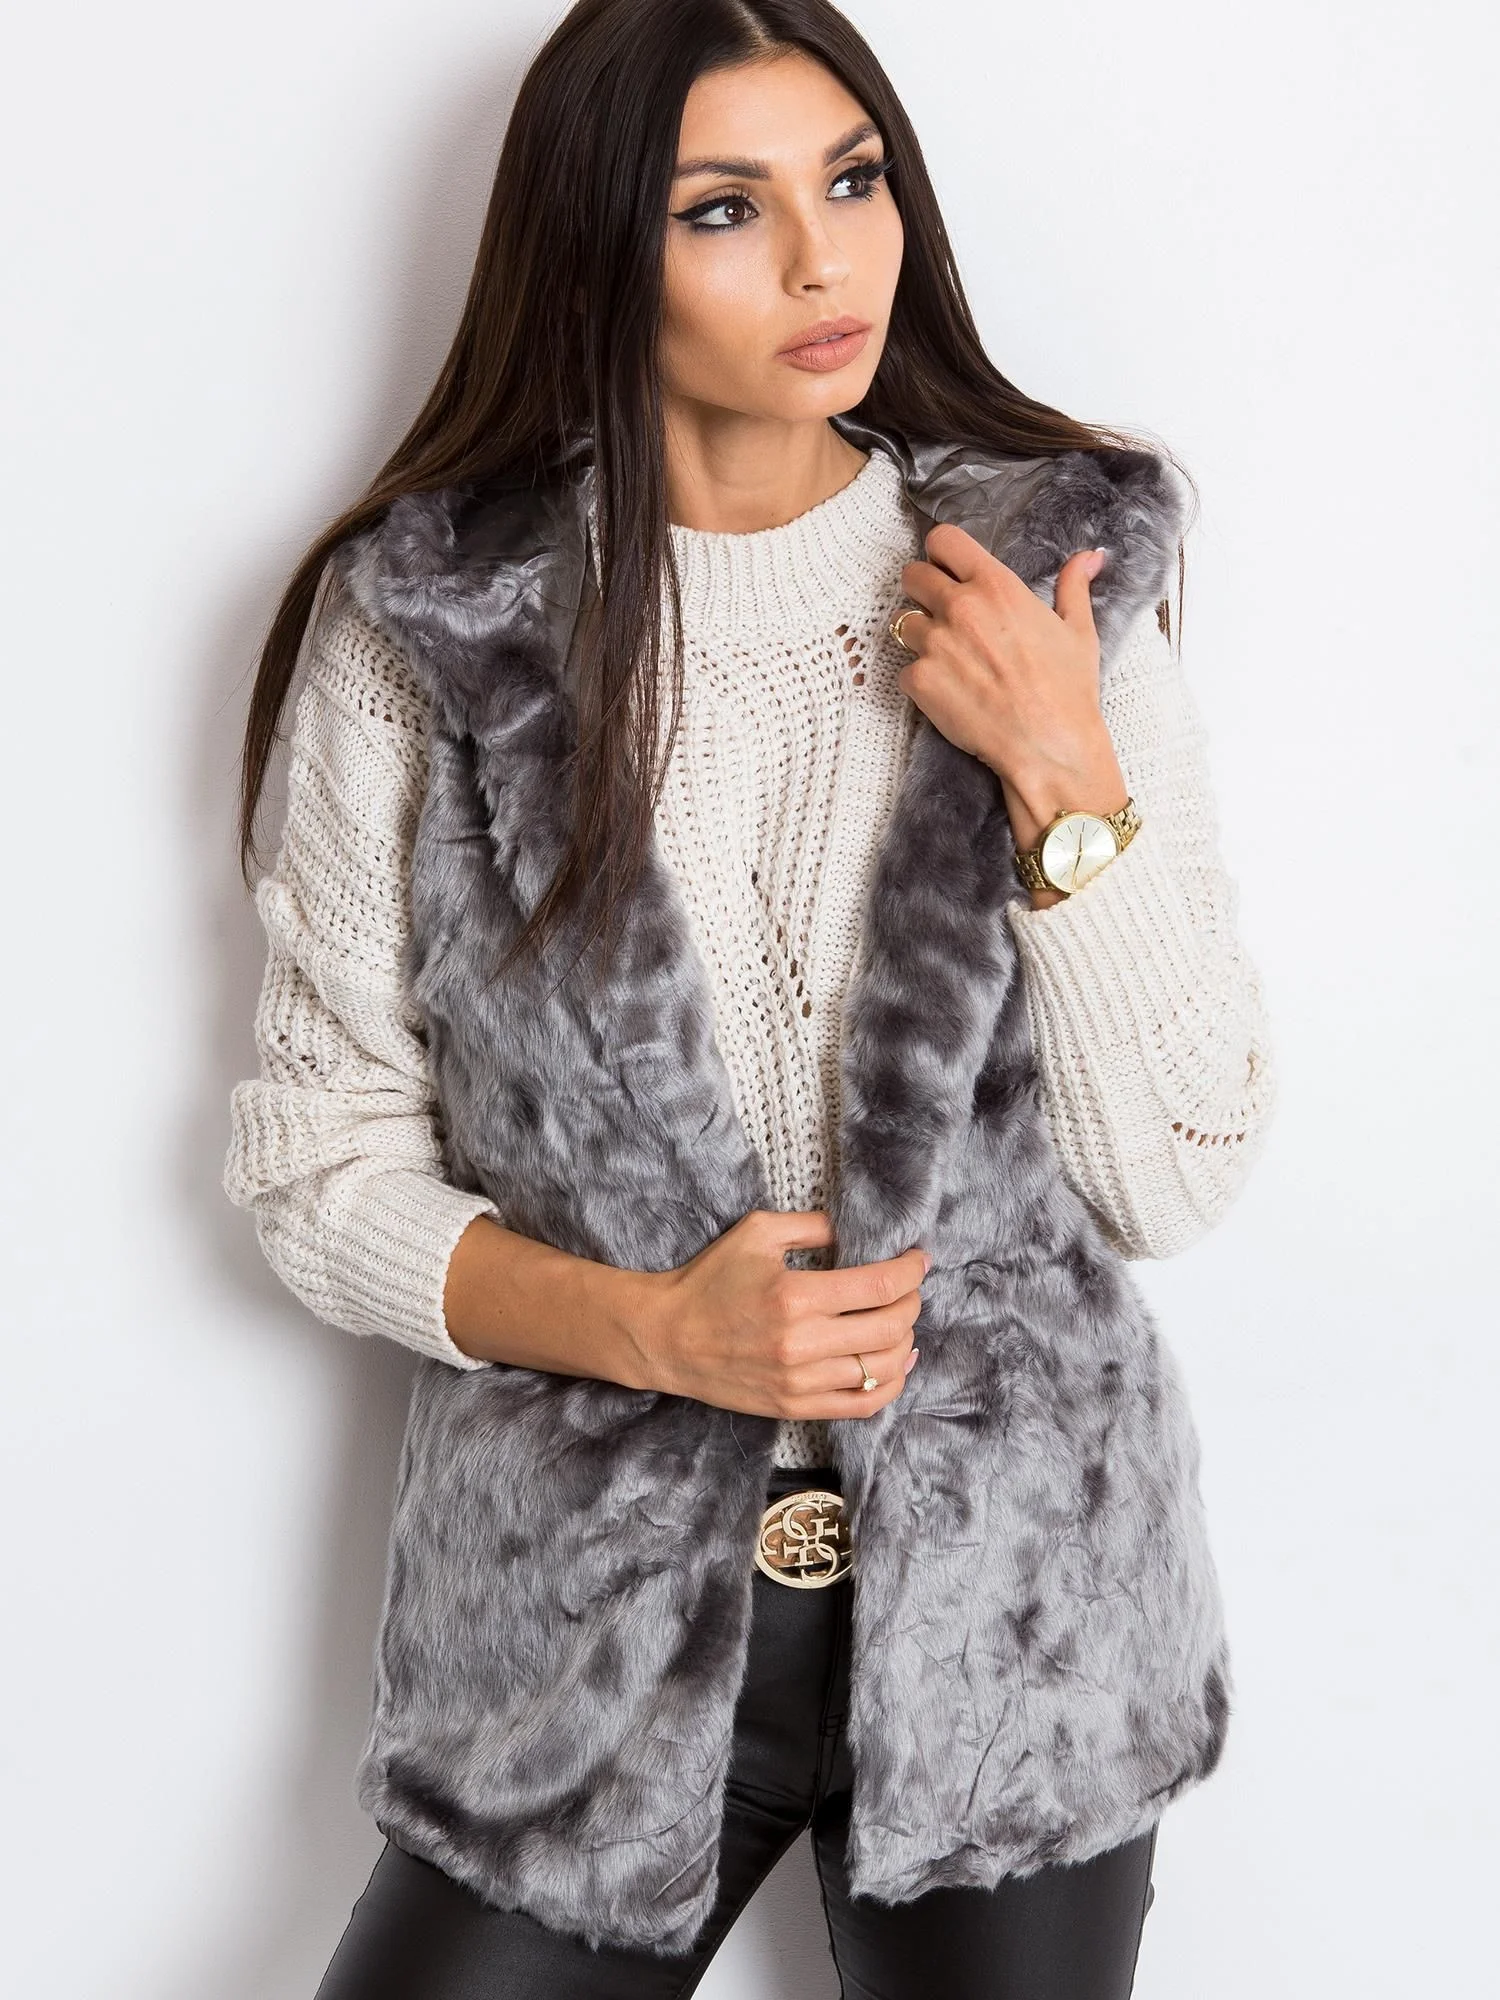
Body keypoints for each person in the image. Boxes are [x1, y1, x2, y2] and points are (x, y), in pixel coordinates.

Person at [224, 2, 1277, 1993]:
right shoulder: (440, 632)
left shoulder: (1050, 587)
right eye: (725, 209)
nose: (822, 260)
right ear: (595, 251)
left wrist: (1064, 769)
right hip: (584, 1648)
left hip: (1026, 1632)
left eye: (852, 180)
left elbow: (1182, 1170)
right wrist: (658, 1330)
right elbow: (313, 1162)